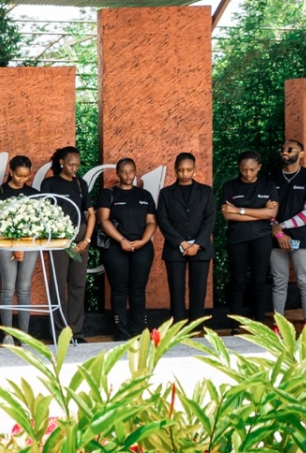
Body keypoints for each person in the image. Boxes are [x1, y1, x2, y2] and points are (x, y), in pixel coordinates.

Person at [96, 158, 157, 340]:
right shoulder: (109, 194)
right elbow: (103, 220)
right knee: (119, 290)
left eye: (131, 171)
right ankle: (121, 332)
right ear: (117, 173)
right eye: (124, 171)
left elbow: (152, 222)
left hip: (142, 247)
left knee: (138, 289)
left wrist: (143, 241)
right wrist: (121, 240)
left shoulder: (144, 195)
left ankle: (138, 330)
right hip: (115, 248)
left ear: (135, 171)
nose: (128, 175)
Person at [40, 146, 95, 346]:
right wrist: (61, 238)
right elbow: (44, 214)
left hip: (80, 239)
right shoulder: (49, 184)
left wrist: (86, 241)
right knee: (57, 286)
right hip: (58, 240)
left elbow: (91, 214)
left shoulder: (81, 184)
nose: (74, 168)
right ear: (61, 162)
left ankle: (76, 332)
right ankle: (60, 333)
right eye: (71, 164)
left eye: (77, 165)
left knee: (78, 285)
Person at [220, 150, 279, 331]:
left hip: (261, 239)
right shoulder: (230, 187)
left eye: (252, 170)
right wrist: (259, 213)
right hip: (237, 239)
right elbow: (227, 215)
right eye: (244, 169)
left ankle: (259, 324)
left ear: (259, 167)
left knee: (259, 281)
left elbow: (271, 213)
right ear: (239, 167)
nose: (247, 173)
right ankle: (236, 325)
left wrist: (240, 210)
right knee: (238, 281)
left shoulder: (268, 186)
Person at [0, 155, 38, 346]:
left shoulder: (33, 193)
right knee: (7, 289)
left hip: (30, 246)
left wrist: (22, 245)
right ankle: (7, 334)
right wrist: (14, 244)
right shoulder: (0, 192)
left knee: (24, 289)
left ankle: (24, 335)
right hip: (5, 245)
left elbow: (37, 222)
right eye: (18, 175)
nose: (22, 179)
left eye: (26, 176)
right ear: (11, 172)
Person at [157, 152, 215, 325]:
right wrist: (181, 243)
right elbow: (163, 220)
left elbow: (210, 219)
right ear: (175, 170)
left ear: (194, 170)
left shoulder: (206, 191)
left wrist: (197, 244)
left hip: (201, 248)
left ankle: (196, 326)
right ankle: (179, 327)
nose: (184, 173)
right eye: (181, 170)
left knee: (198, 290)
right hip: (175, 248)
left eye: (188, 170)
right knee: (176, 289)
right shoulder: (166, 193)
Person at [271, 139, 306, 326]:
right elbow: (267, 209)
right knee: (279, 282)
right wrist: (278, 233)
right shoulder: (272, 179)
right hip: (277, 240)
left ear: (301, 154)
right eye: (283, 149)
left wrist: (283, 226)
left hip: (301, 239)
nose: (285, 152)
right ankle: (279, 323)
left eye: (290, 149)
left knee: (304, 280)